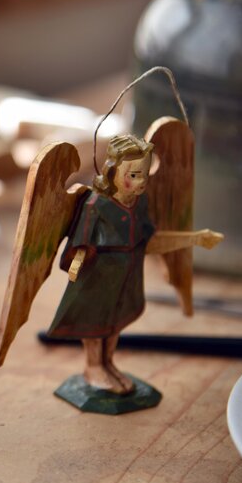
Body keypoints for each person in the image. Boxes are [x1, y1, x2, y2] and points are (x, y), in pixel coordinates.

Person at [48, 135, 155, 394]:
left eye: (144, 174)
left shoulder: (140, 202)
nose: (141, 182)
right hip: (98, 276)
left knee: (115, 321)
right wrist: (76, 262)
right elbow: (81, 241)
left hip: (127, 274)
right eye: (134, 175)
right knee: (95, 322)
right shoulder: (96, 204)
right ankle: (93, 366)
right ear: (112, 172)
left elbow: (146, 234)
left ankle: (108, 363)